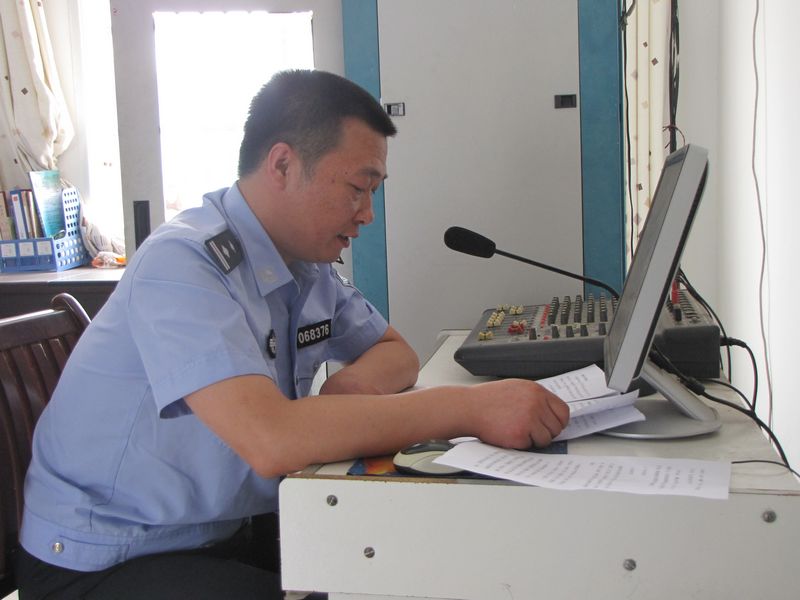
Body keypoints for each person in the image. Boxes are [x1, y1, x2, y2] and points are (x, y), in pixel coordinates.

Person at [17, 70, 569, 599]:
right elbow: (272, 440)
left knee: (418, 562)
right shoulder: (183, 264)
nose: (367, 215)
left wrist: (351, 392)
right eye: (358, 188)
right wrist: (469, 408)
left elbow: (394, 351)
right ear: (282, 164)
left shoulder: (304, 265)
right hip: (108, 558)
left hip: (224, 528)